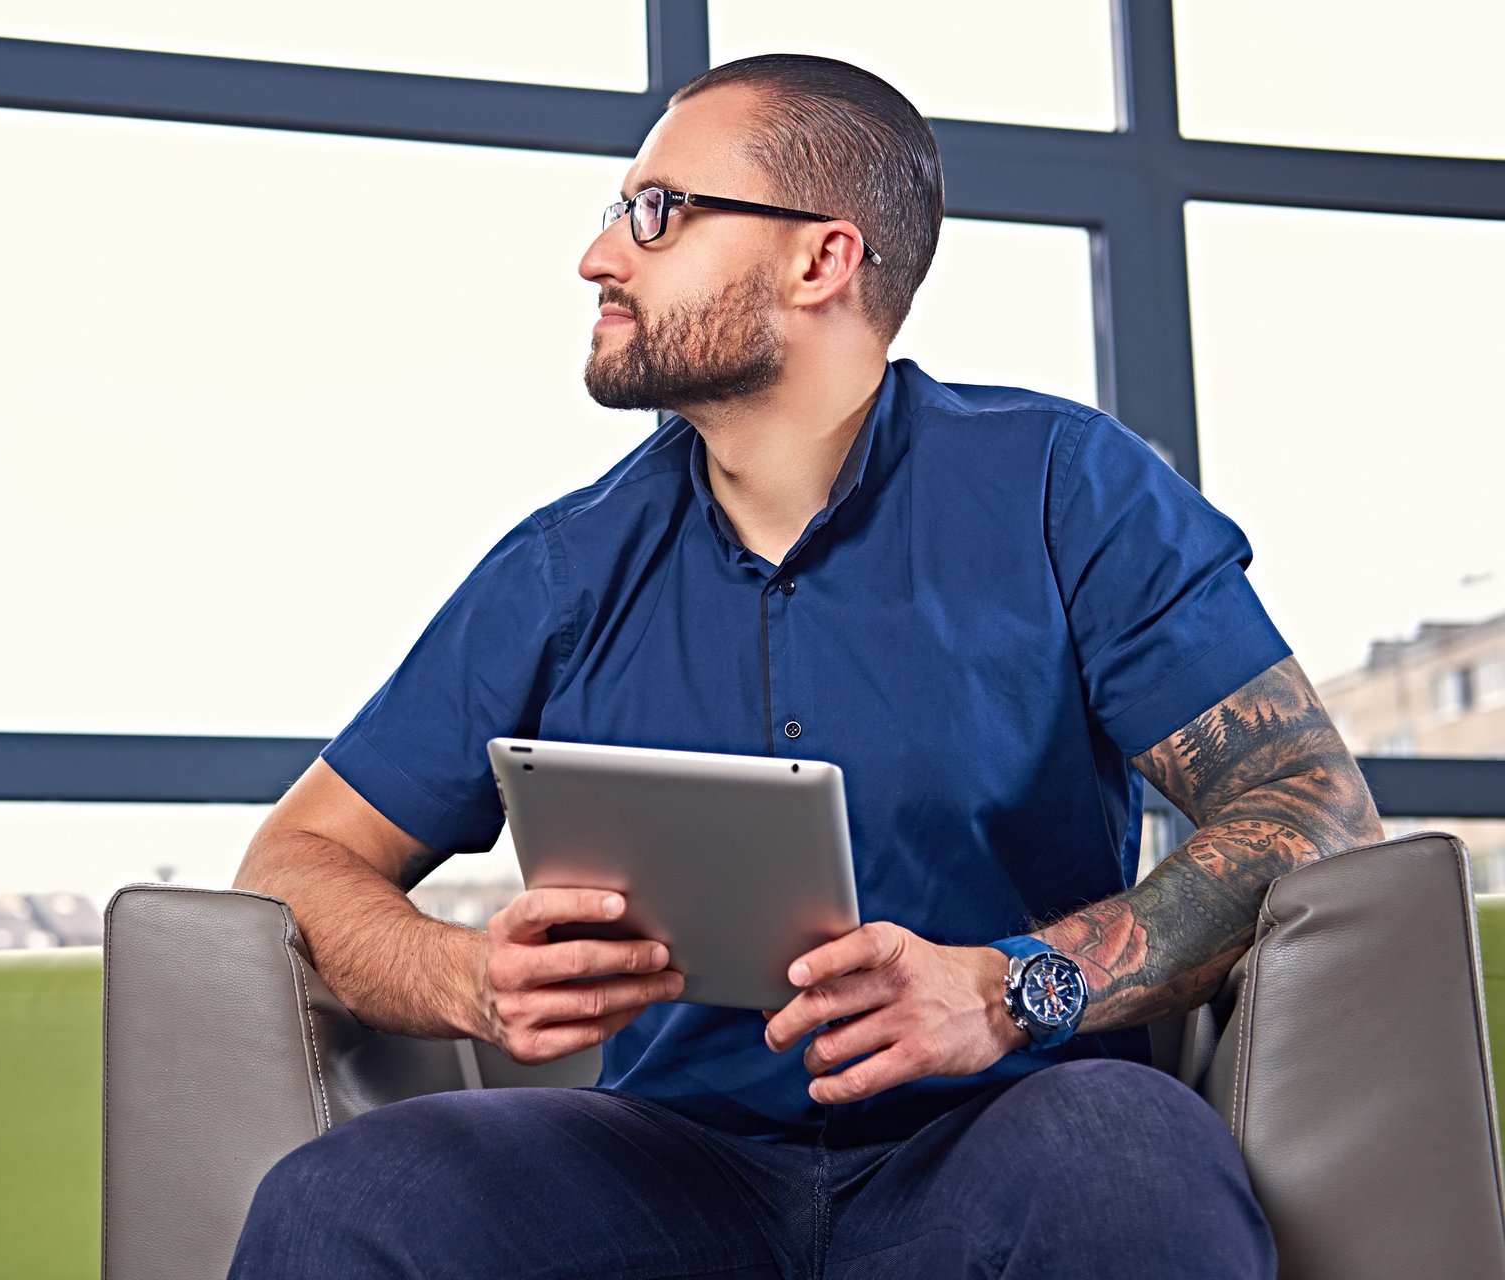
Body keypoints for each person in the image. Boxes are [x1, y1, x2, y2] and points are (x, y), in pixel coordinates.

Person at [226, 53, 1383, 1278]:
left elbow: (1316, 806)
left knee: (1134, 1151)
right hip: (668, 1166)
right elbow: (299, 858)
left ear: (821, 259)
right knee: (348, 1196)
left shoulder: (1062, 488)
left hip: (1005, 1133)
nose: (600, 255)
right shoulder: (564, 568)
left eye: (657, 211)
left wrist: (1003, 988)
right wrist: (467, 976)